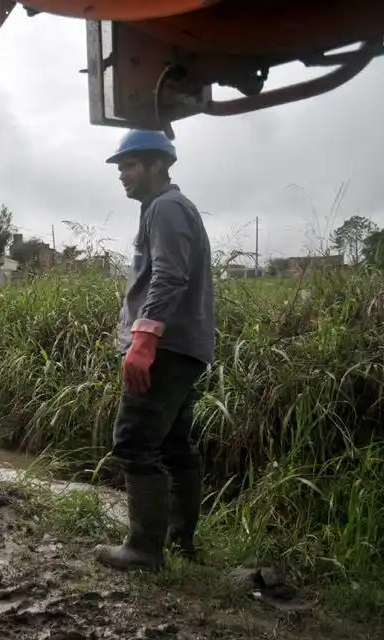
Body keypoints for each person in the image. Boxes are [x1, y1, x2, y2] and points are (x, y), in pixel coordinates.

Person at [94, 129, 215, 571]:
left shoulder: (166, 207)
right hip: (181, 348)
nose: (122, 174)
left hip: (165, 348)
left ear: (158, 164)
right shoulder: (164, 208)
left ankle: (145, 549)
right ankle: (181, 543)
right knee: (175, 446)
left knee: (133, 443)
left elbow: (169, 275)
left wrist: (143, 339)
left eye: (129, 165)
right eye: (120, 167)